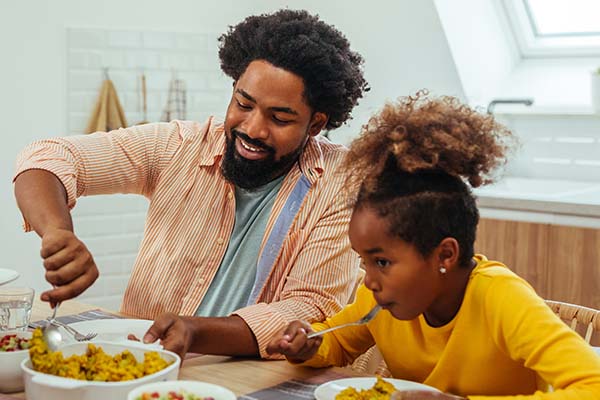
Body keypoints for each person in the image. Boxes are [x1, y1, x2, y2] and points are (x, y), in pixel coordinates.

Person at [13, 9, 368, 359]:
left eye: (279, 118)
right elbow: (48, 156)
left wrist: (196, 331)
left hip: (249, 375)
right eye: (243, 104)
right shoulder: (178, 146)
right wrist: (57, 231)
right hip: (143, 363)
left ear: (316, 123)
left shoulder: (340, 182)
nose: (252, 129)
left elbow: (311, 308)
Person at [266, 93, 600, 398]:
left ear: (445, 255)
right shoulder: (381, 299)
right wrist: (310, 344)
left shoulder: (501, 298)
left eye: (381, 261)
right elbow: (338, 341)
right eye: (364, 262)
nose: (368, 279)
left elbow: (593, 385)